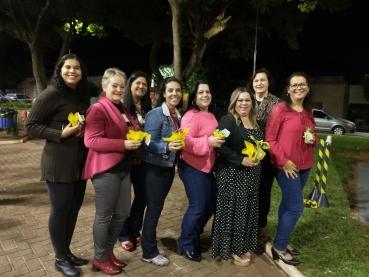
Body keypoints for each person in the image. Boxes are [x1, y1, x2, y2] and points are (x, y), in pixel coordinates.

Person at [25, 54, 90, 277]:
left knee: (72, 210)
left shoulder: (81, 95)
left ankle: (66, 251)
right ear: (60, 70)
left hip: (79, 163)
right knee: (60, 211)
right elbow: (31, 125)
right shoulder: (50, 95)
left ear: (82, 72)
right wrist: (60, 133)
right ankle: (60, 259)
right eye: (68, 67)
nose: (73, 71)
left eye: (77, 68)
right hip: (59, 162)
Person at [82, 68, 140, 275]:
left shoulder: (121, 107)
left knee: (122, 213)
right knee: (104, 216)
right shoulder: (98, 109)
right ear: (104, 86)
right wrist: (123, 144)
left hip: (123, 169)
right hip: (106, 170)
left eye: (122, 86)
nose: (118, 89)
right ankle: (99, 258)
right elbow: (91, 140)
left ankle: (107, 252)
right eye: (114, 85)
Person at [266, 72, 318, 266]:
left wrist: (313, 139)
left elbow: (313, 135)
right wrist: (284, 160)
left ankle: (284, 240)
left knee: (288, 205)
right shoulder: (280, 109)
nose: (298, 88)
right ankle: (279, 247)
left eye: (302, 84)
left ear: (308, 88)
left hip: (306, 165)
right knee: (296, 208)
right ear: (288, 89)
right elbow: (270, 139)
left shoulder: (308, 111)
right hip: (286, 167)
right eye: (294, 85)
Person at [211, 87, 263, 266]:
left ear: (252, 103)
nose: (244, 103)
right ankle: (232, 249)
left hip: (252, 176)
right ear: (234, 102)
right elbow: (219, 145)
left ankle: (242, 245)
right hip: (233, 175)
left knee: (246, 212)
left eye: (247, 100)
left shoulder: (255, 122)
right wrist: (240, 160)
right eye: (240, 100)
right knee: (234, 212)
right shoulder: (229, 122)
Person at [177, 80, 225, 262]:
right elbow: (184, 140)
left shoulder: (210, 115)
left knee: (210, 204)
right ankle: (186, 243)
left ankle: (194, 236)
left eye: (208, 92)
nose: (205, 95)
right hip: (191, 166)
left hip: (206, 168)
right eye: (200, 92)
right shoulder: (191, 115)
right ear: (194, 98)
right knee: (197, 207)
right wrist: (208, 142)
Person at [141, 77, 183, 266]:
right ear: (163, 94)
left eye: (178, 90)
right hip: (154, 168)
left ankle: (150, 244)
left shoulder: (177, 115)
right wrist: (166, 147)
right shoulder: (155, 114)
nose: (175, 94)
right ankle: (148, 251)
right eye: (171, 90)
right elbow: (147, 142)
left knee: (156, 209)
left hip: (167, 168)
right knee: (154, 209)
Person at [117, 71, 152, 251]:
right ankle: (123, 234)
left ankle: (134, 230)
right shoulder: (121, 107)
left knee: (142, 198)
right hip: (124, 160)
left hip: (142, 161)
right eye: (137, 83)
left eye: (144, 84)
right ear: (130, 84)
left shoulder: (146, 109)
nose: (141, 87)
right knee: (122, 200)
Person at [247, 68, 280, 242]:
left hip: (266, 155)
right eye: (256, 80)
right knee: (247, 189)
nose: (259, 83)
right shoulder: (246, 99)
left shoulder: (277, 103)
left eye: (262, 80)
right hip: (247, 152)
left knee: (264, 191)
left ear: (268, 82)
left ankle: (261, 225)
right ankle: (246, 223)